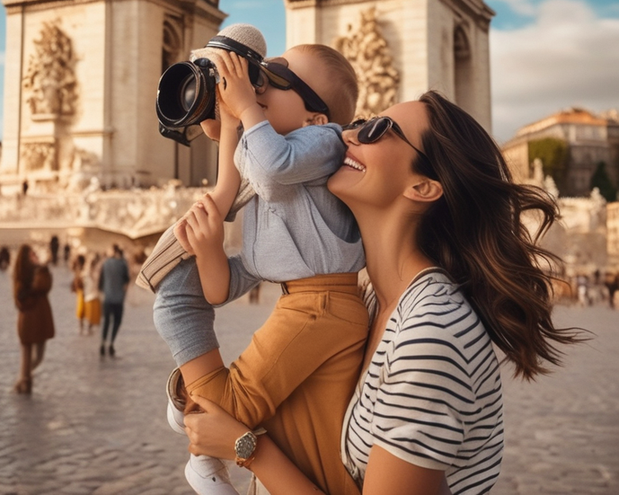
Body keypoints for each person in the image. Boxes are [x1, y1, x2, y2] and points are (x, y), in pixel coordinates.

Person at [184, 91, 581, 495]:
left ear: (424, 187)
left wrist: (247, 448)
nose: (350, 133)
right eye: (363, 121)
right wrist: (230, 127)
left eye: (378, 129)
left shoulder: (431, 332)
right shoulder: (374, 301)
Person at [155, 40, 367, 495]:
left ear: (316, 116)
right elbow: (221, 288)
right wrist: (211, 247)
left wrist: (248, 109)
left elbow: (271, 168)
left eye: (279, 77)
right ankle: (189, 399)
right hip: (305, 305)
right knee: (172, 291)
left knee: (230, 404)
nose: (262, 79)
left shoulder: (324, 141)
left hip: (325, 307)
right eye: (264, 70)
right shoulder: (268, 165)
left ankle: (201, 445)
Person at [12, 244, 55, 394]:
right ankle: (23, 382)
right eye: (32, 254)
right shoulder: (22, 276)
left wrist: (42, 268)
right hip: (28, 321)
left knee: (37, 356)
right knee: (29, 356)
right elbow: (22, 298)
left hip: (39, 320)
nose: (35, 256)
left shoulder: (38, 272)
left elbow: (45, 286)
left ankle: (23, 380)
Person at [99, 244, 129, 356]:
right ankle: (111, 343)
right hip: (118, 299)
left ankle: (103, 343)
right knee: (116, 322)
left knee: (106, 322)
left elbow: (100, 282)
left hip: (108, 298)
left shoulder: (105, 263)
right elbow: (126, 281)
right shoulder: (122, 264)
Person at [83, 254, 102, 336]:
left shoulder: (94, 272)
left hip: (92, 294)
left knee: (92, 313)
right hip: (91, 294)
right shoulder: (89, 273)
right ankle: (88, 327)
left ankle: (89, 327)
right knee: (90, 313)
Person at [71, 254, 86, 334]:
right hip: (81, 291)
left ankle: (82, 327)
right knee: (81, 310)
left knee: (82, 309)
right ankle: (82, 327)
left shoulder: (83, 269)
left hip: (84, 290)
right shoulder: (78, 269)